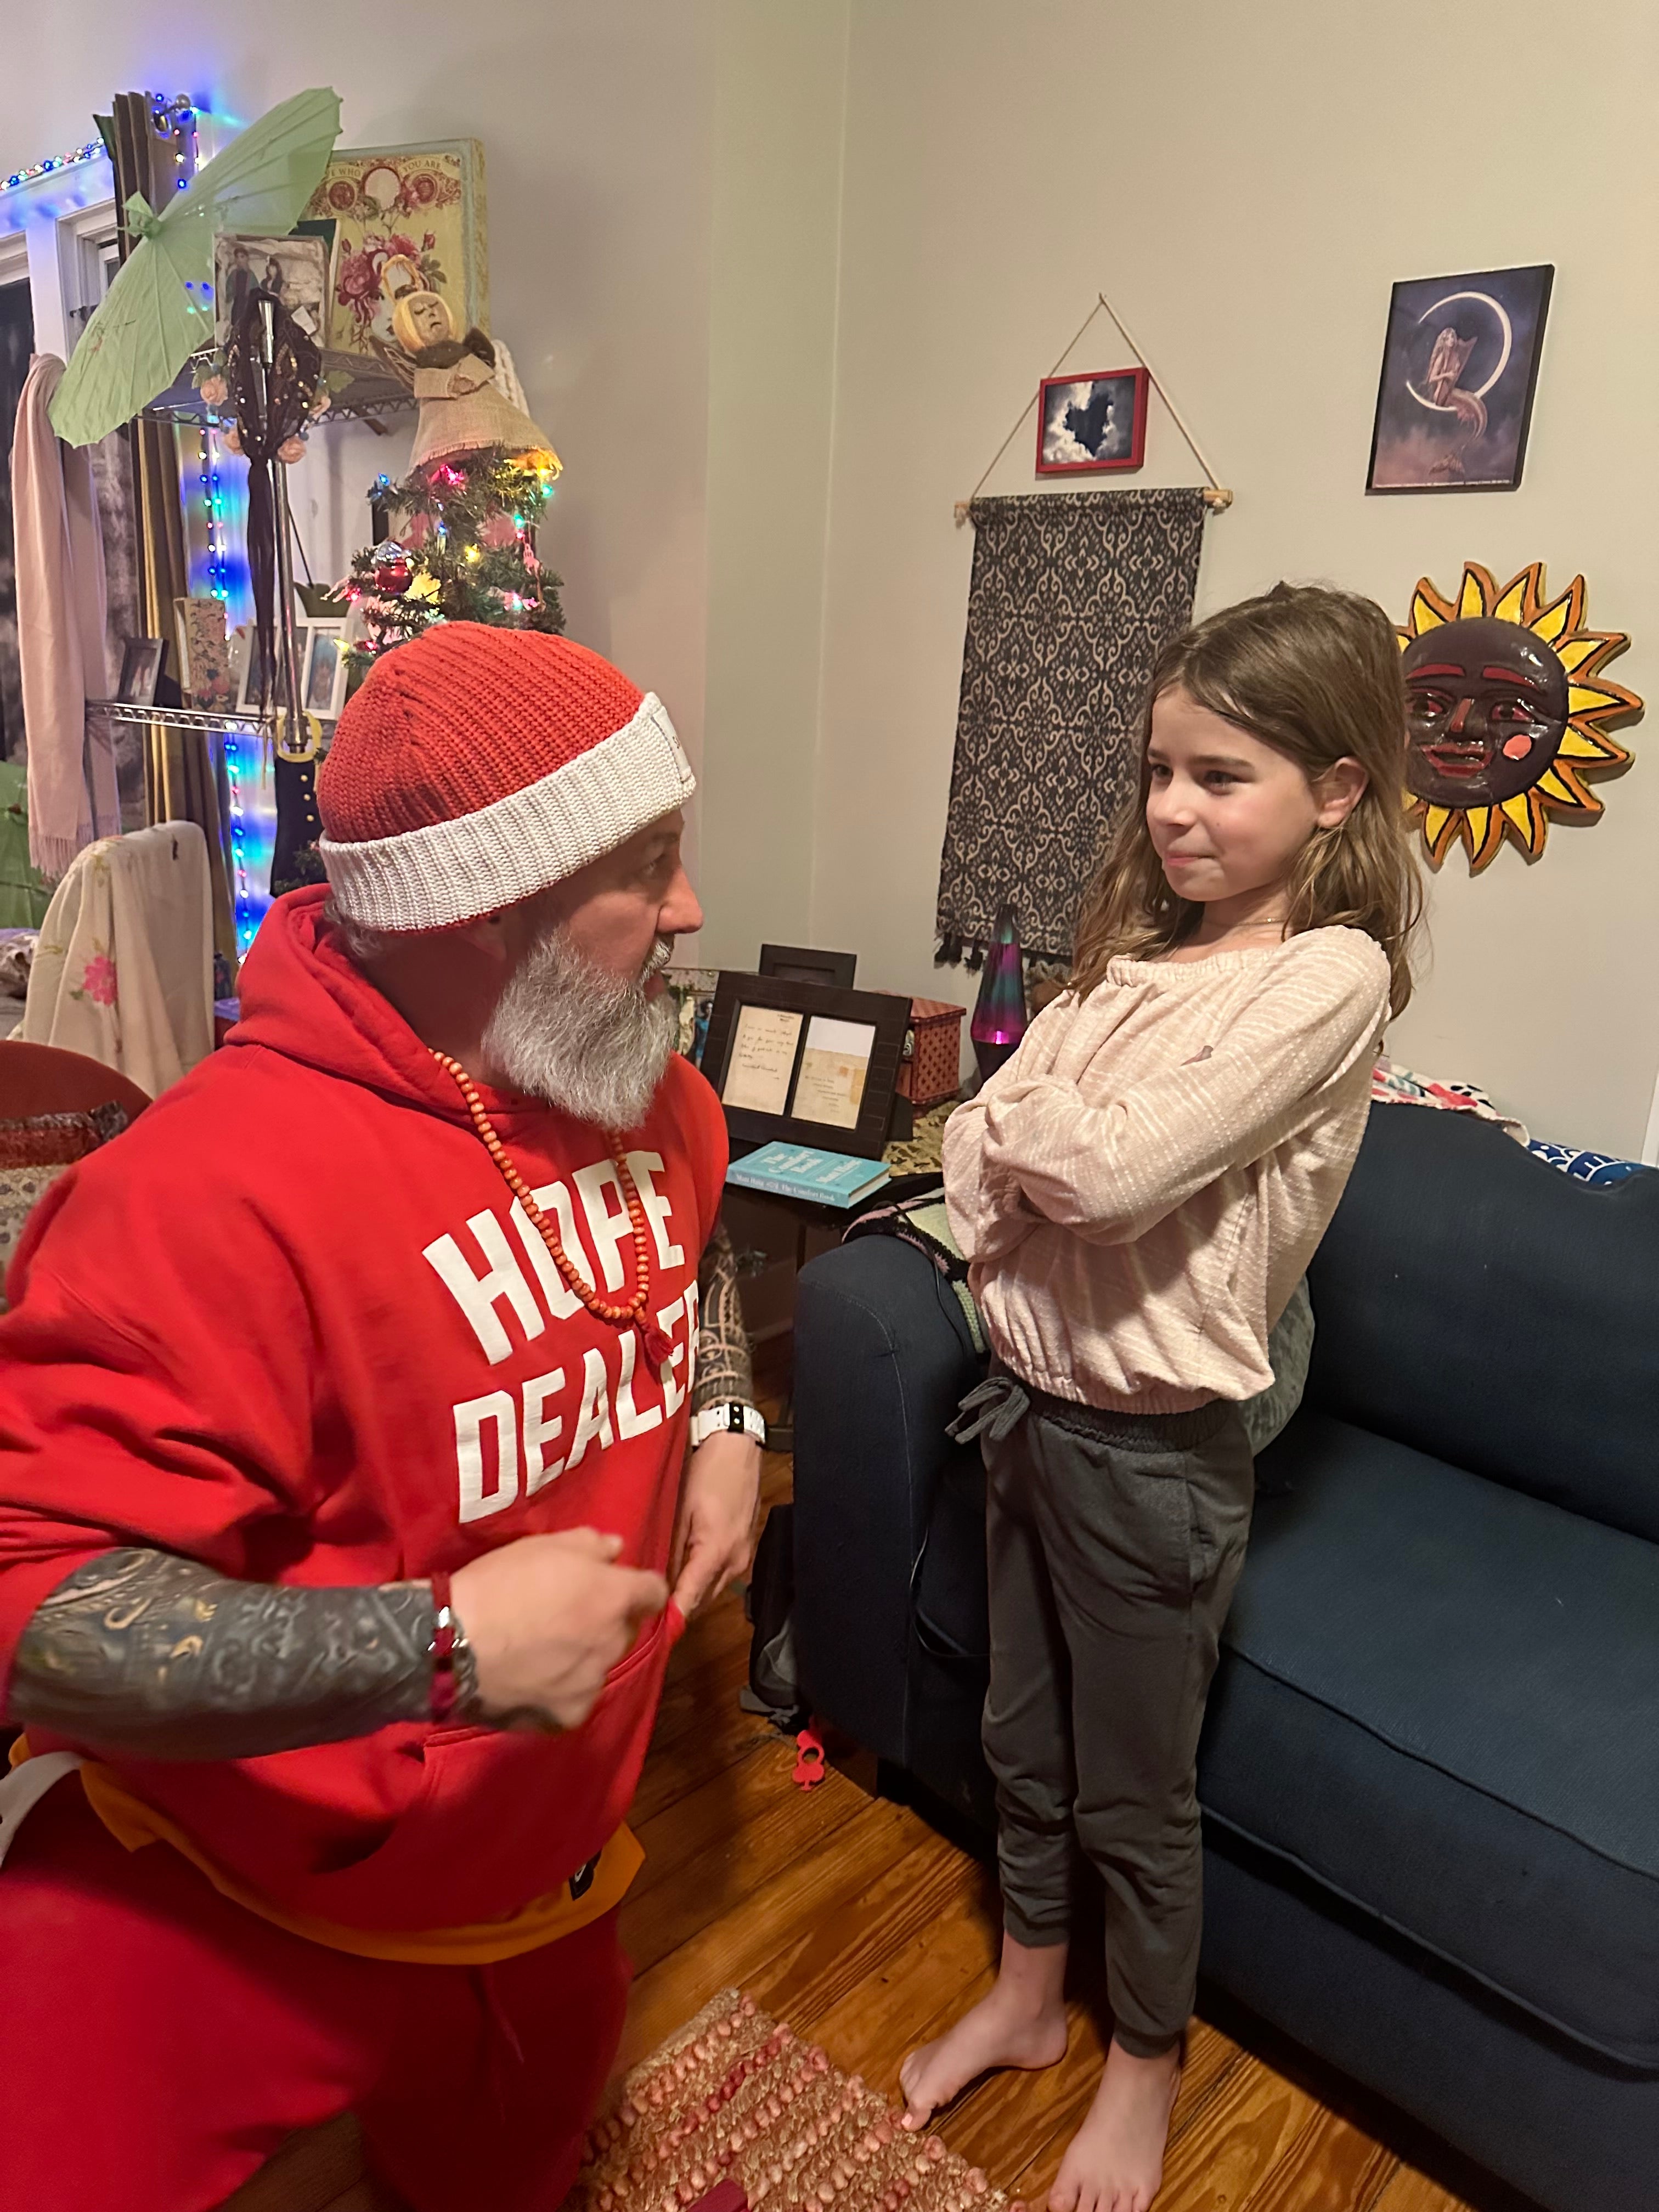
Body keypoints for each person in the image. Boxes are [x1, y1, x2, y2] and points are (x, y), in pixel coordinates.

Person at [0, 623, 766, 2212]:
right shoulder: (197, 1200)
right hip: (230, 1920)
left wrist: (726, 1416)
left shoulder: (649, 1084)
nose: (691, 907)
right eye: (651, 867)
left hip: (552, 1901)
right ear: (492, 911)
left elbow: (698, 1255)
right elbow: (32, 1619)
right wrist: (440, 1648)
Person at [909, 584, 1423, 2212]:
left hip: (1152, 1457)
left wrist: (1028, 1135)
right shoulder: (1132, 964)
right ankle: (1025, 1995)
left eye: (1221, 776)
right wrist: (1017, 1137)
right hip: (1027, 1414)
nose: (1173, 811)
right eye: (1160, 772)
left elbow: (1111, 1172)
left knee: (1138, 1790)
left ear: (1335, 791)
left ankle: (1144, 2070)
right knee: (1018, 1738)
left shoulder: (1327, 980)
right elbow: (967, 1136)